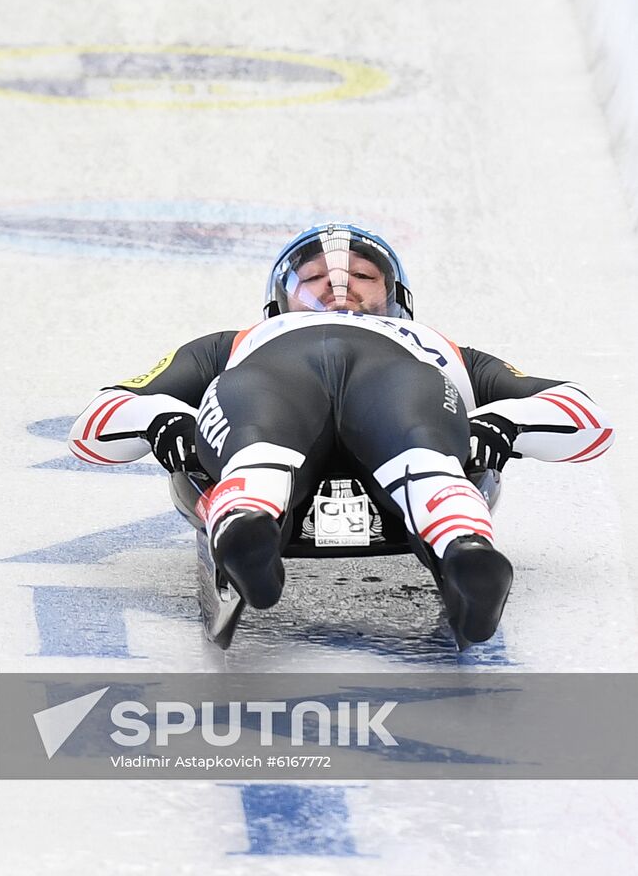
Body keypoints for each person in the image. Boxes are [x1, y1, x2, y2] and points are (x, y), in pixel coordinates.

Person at [68, 223, 614, 647]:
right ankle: (463, 546)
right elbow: (585, 417)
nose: (338, 287)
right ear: (280, 300)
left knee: (258, 452)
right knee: (427, 461)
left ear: (394, 296)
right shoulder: (239, 342)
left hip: (291, 376)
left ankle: (247, 527)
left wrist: (161, 421)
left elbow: (98, 423)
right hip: (386, 379)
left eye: (363, 277)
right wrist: (507, 425)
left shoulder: (243, 345)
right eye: (313, 280)